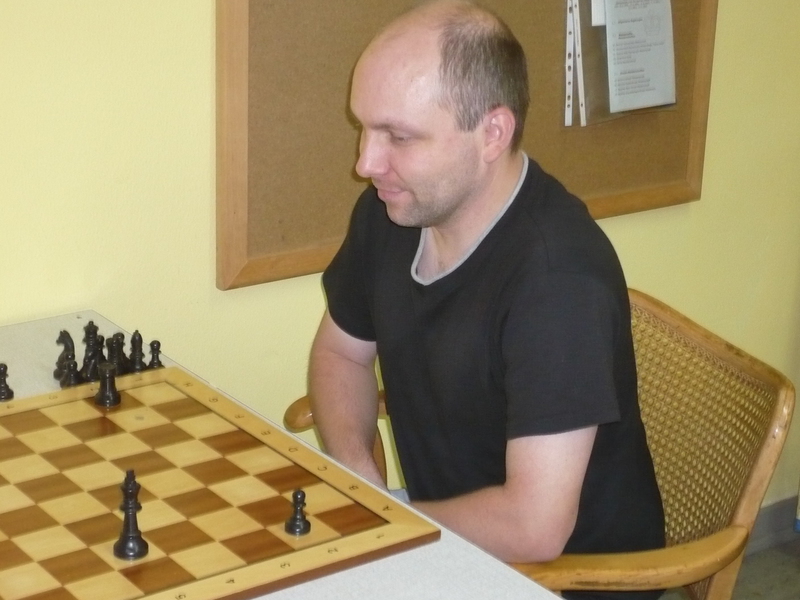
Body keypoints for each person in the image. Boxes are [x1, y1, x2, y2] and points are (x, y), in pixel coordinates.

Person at [308, 2, 665, 598]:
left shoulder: (558, 281)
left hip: (566, 580)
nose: (366, 163)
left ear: (492, 134)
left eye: (398, 136)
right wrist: (361, 482)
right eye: (364, 128)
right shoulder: (393, 210)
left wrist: (390, 522)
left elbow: (534, 527)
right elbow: (340, 354)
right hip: (447, 542)